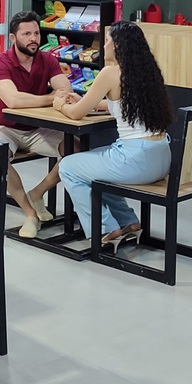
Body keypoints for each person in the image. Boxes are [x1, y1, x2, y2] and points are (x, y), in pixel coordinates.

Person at [48, 21, 174, 249]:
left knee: (68, 167)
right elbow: (124, 105)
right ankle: (127, 221)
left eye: (107, 40)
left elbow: (75, 114)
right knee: (94, 164)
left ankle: (104, 228)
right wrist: (88, 102)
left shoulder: (110, 72)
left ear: (118, 45)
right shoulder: (145, 72)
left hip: (136, 162)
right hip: (161, 159)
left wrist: (60, 105)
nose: (104, 45)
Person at [0, 11, 78, 238]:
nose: (33, 38)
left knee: (76, 149)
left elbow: (66, 91)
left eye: (36, 33)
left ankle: (37, 193)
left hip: (37, 128)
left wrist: (49, 97)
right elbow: (13, 101)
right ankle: (30, 213)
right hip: (2, 127)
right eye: (26, 34)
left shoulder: (48, 59)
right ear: (13, 38)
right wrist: (50, 98)